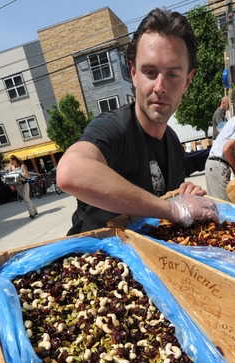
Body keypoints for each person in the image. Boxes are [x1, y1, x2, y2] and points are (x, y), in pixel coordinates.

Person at [57, 8, 218, 235]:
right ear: (133, 73)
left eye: (172, 74)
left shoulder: (172, 142)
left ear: (187, 81)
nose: (160, 87)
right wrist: (172, 208)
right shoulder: (114, 127)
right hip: (95, 263)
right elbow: (70, 172)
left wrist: (181, 198)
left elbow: (162, 207)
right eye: (150, 72)